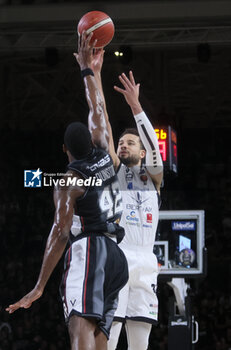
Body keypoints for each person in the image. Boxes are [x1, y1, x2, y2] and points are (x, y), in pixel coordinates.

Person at [6, 32, 128, 350]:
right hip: (117, 256)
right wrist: (91, 70)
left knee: (79, 329)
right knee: (99, 339)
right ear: (91, 140)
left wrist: (38, 287)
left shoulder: (69, 181)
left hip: (90, 253)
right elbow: (98, 108)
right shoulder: (106, 152)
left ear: (64, 149)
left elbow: (61, 233)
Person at [91, 51, 164, 350]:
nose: (123, 145)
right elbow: (104, 127)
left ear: (143, 151)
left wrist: (136, 106)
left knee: (140, 344)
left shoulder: (154, 178)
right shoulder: (117, 174)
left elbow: (151, 142)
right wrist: (94, 77)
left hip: (146, 262)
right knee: (110, 337)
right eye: (121, 143)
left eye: (129, 142)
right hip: (119, 256)